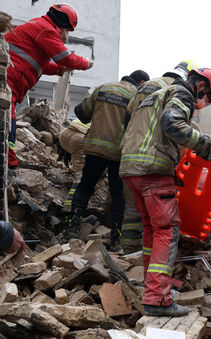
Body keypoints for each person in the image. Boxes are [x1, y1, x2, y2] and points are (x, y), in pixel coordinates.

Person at [119, 68, 211, 317]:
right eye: (206, 98)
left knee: (152, 229)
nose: (201, 104)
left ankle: (150, 287)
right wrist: (208, 145)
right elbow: (172, 124)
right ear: (201, 85)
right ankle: (158, 298)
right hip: (153, 169)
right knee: (167, 230)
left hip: (131, 167)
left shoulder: (152, 95)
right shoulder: (182, 92)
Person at [119, 61, 198, 253]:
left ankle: (129, 250)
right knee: (162, 226)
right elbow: (174, 127)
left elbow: (129, 117)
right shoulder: (177, 90)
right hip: (153, 161)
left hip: (129, 157)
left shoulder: (147, 86)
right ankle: (154, 270)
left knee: (133, 209)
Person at [66, 70, 150, 249]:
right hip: (119, 153)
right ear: (141, 82)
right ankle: (116, 238)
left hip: (95, 149)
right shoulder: (137, 96)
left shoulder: (103, 88)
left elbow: (81, 112)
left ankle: (73, 229)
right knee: (118, 194)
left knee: (85, 187)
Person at [5, 4, 93, 171]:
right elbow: (64, 57)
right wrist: (85, 63)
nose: (66, 35)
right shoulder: (46, 30)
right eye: (68, 30)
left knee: (10, 124)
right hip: (9, 81)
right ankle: (9, 166)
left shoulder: (38, 27)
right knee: (9, 125)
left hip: (12, 82)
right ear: (64, 26)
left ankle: (9, 163)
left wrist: (61, 70)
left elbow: (41, 65)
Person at [58, 119, 91, 213]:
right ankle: (69, 207)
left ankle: (74, 168)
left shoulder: (92, 120)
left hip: (64, 134)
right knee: (80, 177)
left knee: (77, 161)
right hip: (80, 138)